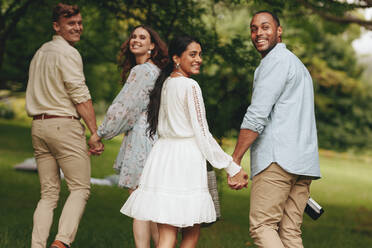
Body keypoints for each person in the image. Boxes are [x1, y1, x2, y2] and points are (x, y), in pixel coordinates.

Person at [120, 36, 248, 248]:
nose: (199, 59)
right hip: (185, 161)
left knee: (166, 235)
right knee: (190, 233)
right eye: (193, 54)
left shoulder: (167, 83)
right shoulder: (190, 86)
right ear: (177, 58)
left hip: (163, 158)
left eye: (200, 54)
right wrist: (231, 166)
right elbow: (202, 134)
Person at [230, 11, 321, 248]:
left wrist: (236, 159)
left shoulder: (275, 62)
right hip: (303, 163)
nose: (259, 33)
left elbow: (257, 115)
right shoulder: (296, 64)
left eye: (265, 27)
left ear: (279, 31)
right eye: (253, 28)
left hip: (277, 160)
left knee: (262, 226)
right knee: (290, 233)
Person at [25, 3, 103, 248]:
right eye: (71, 24)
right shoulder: (68, 53)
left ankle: (37, 245)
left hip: (39, 128)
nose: (77, 28)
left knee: (48, 195)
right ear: (56, 26)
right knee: (80, 188)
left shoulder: (40, 52)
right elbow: (80, 94)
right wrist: (94, 132)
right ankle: (61, 243)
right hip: (63, 126)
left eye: (79, 23)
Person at [88, 25, 168, 248]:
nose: (136, 40)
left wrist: (99, 134)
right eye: (133, 36)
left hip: (142, 139)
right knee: (151, 207)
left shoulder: (142, 72)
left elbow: (124, 109)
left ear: (152, 45)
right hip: (156, 138)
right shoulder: (156, 70)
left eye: (143, 37)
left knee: (140, 204)